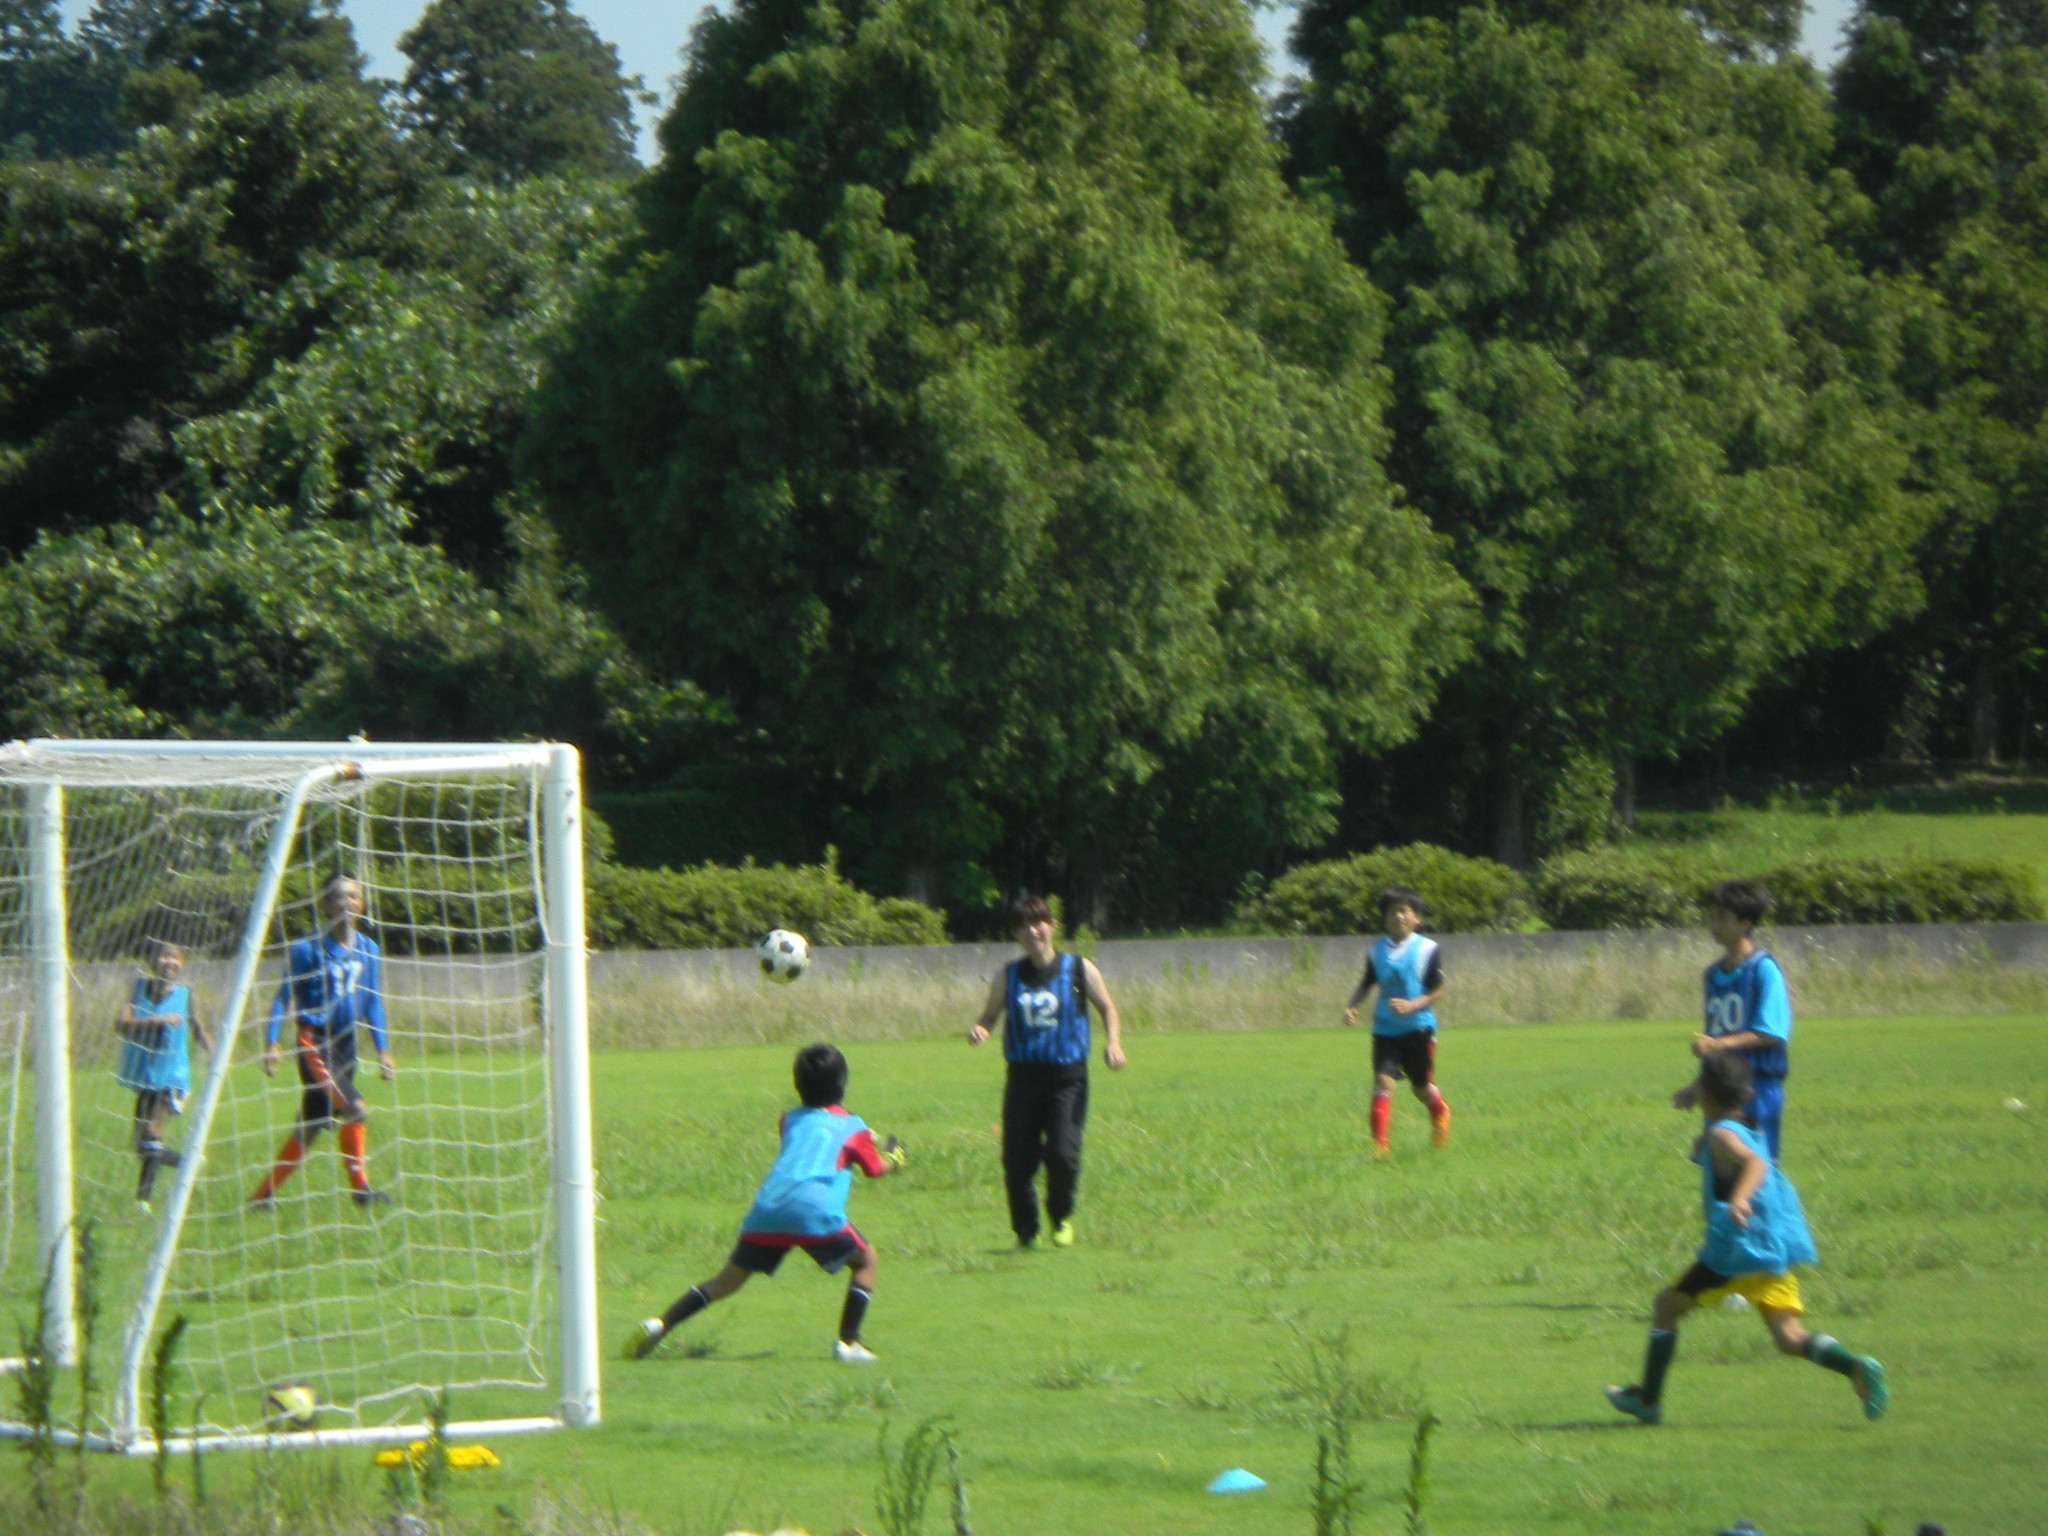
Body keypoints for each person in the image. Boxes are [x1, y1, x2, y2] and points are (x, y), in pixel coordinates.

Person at [1605, 1052, 1887, 1425]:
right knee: (1789, 1337)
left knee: (1666, 1306)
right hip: (1772, 1250)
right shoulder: (1747, 1129)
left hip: (1735, 1253)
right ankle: (1854, 1367)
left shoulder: (1722, 1135)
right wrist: (1702, 1132)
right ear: (1749, 1093)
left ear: (1706, 1092)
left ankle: (1649, 1401)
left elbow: (1755, 1165)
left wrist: (1738, 1198)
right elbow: (1742, 1152)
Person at [623, 1043, 907, 1364]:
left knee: (726, 1282)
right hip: (813, 1211)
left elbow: (813, 1134)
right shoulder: (853, 1127)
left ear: (798, 1084)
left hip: (767, 1211)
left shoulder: (789, 1120)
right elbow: (874, 1169)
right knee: (867, 1261)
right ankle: (848, 1343)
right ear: (843, 1082)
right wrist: (896, 1158)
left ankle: (661, 1324)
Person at [969, 894, 1126, 1248]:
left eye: (1038, 922)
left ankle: (1061, 1216)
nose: (1031, 931)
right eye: (1022, 925)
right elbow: (990, 1014)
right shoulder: (1008, 975)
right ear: (1016, 934)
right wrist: (981, 1029)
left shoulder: (1079, 969)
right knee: (1017, 1160)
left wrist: (1113, 1043)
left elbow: (1107, 1008)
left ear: (1052, 926)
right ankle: (1026, 1232)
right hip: (1023, 1078)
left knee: (1063, 1155)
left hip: (1067, 1078)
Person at [251, 875, 396, 1208]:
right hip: (315, 1044)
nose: (346, 902)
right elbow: (282, 996)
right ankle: (361, 1191)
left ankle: (262, 1197)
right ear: (325, 904)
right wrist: (272, 1043)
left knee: (312, 1125)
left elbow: (373, 1002)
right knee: (356, 1108)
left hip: (347, 1046)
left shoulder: (369, 949)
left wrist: (383, 1050)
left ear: (362, 903)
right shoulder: (307, 950)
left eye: (353, 896)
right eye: (337, 897)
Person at [1675, 879, 1792, 1159]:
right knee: (1720, 1168)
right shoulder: (1713, 975)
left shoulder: (1763, 970)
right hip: (1720, 1092)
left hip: (1757, 1088)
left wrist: (1718, 1046)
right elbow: (1716, 1037)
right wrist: (1700, 1085)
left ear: (1745, 923)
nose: (1714, 925)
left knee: (1756, 1167)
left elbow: (1771, 1032)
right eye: (1711, 917)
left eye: (1722, 918)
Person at [1342, 883, 1451, 1157]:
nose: (1398, 917)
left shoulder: (1428, 949)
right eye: (1392, 912)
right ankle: (1381, 1146)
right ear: (1384, 917)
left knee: (1421, 1089)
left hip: (1419, 1030)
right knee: (1383, 1082)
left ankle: (1440, 1111)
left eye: (1404, 911)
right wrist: (1353, 1006)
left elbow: (1438, 990)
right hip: (1386, 1030)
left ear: (1417, 917)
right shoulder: (1376, 951)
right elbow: (1367, 982)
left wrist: (1413, 1005)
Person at [113, 941, 214, 1208]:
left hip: (174, 1077)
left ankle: (142, 1200)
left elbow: (198, 1027)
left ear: (182, 964)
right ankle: (187, 1164)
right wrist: (155, 1021)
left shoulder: (185, 994)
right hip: (146, 1076)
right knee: (141, 1145)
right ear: (151, 961)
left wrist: (213, 1051)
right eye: (163, 956)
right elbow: (121, 1024)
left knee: (152, 1134)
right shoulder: (138, 990)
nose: (169, 962)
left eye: (175, 957)